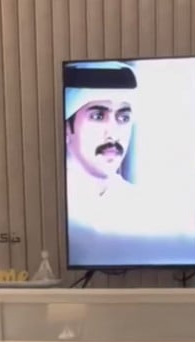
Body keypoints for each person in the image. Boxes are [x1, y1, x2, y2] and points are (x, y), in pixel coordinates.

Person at [65, 61, 140, 234]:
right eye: (98, 116)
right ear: (67, 127)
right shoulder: (45, 203)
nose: (113, 134)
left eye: (123, 118)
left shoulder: (143, 208)